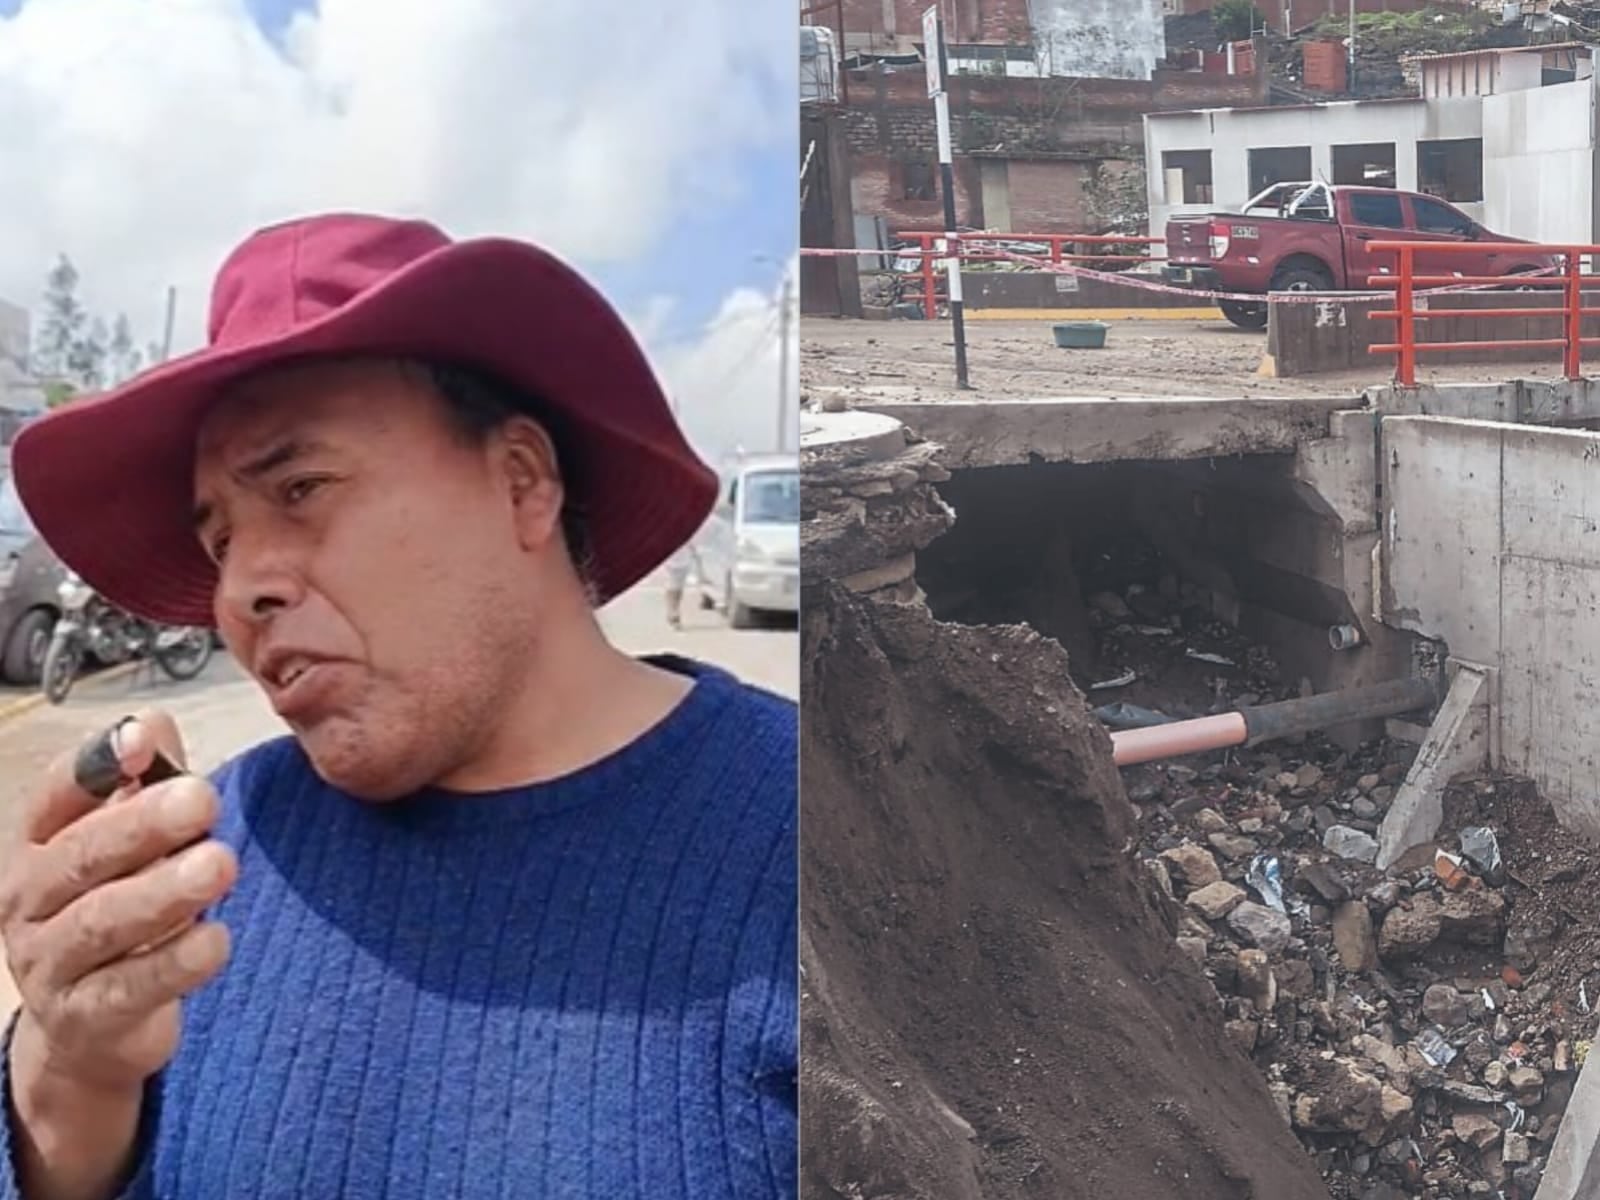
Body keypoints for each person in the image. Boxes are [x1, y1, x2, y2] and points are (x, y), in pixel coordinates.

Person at [0, 214, 797, 1199]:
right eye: (218, 545)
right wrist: (70, 1073)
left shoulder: (832, 848)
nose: (242, 590)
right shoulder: (208, 855)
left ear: (521, 482)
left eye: (301, 486)